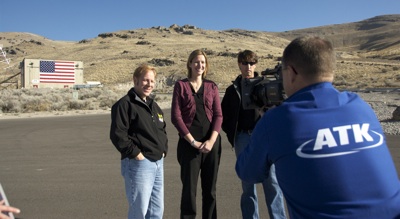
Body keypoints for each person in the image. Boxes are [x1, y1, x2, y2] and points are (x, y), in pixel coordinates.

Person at [236, 36, 400, 218]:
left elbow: (247, 172)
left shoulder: (278, 121)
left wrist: (265, 127)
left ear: (291, 72)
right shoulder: (361, 108)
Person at [221, 50, 286, 219]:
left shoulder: (265, 86)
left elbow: (278, 109)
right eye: (244, 63)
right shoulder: (232, 90)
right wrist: (233, 135)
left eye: (251, 63)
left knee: (272, 182)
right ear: (239, 64)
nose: (248, 67)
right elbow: (223, 114)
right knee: (247, 184)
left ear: (256, 64)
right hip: (242, 138)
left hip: (264, 138)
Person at [110, 64, 168, 219]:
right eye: (145, 80)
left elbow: (162, 129)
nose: (149, 84)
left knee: (156, 211)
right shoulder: (124, 104)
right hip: (139, 164)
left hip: (157, 163)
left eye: (152, 81)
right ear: (135, 80)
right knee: (139, 211)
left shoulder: (153, 105)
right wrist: (136, 154)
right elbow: (118, 135)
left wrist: (163, 150)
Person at [171, 49, 223, 219]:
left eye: (202, 62)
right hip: (189, 146)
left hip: (211, 146)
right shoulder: (181, 85)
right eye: (196, 61)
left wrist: (211, 141)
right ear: (190, 64)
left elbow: (218, 115)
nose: (199, 65)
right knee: (189, 190)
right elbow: (176, 117)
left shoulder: (212, 86)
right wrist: (193, 142)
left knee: (210, 190)